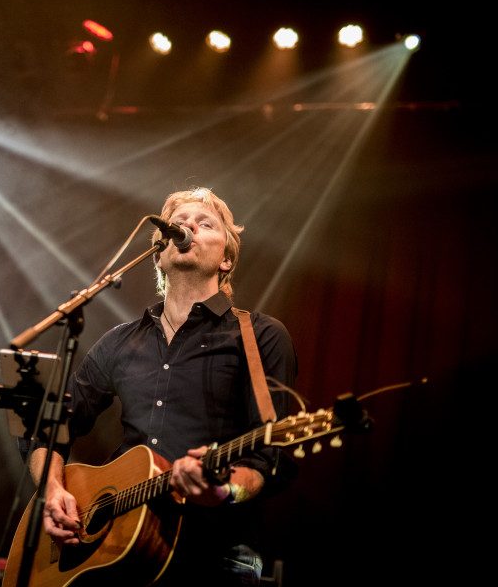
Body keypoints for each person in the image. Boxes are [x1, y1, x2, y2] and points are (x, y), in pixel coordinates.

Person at [29, 187, 298, 585]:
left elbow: (271, 458)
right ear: (158, 253)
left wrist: (223, 491)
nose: (188, 227)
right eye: (179, 222)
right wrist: (51, 491)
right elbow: (50, 428)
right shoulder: (120, 341)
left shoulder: (260, 336)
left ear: (226, 259)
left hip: (216, 555)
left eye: (205, 224)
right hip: (118, 551)